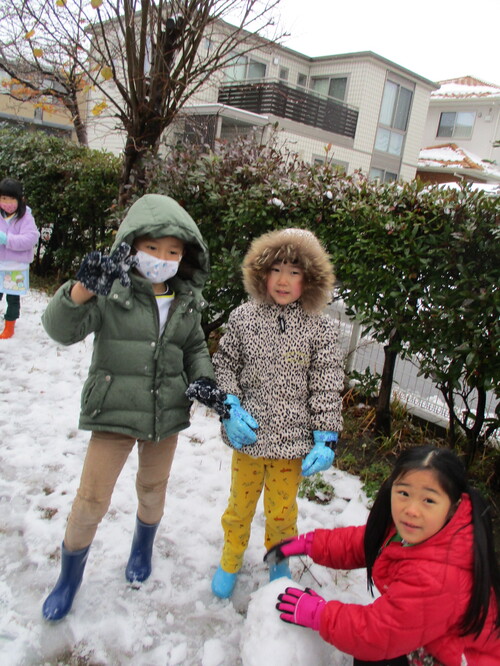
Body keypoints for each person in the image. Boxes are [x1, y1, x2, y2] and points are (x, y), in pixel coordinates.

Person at [41, 193, 233, 621]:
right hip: (113, 411)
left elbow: (195, 347)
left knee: (152, 490)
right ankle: (68, 579)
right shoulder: (111, 292)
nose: (162, 258)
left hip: (165, 415)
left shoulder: (185, 300)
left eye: (172, 251)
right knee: (91, 499)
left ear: (184, 257)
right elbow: (60, 329)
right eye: (152, 249)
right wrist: (83, 288)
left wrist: (203, 379)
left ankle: (142, 548)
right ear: (132, 247)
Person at [205, 228, 344, 599]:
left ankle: (279, 562)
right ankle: (231, 558)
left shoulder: (320, 329)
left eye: (295, 272)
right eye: (277, 269)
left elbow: (326, 384)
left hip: (290, 448)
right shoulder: (243, 318)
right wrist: (229, 407)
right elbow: (226, 366)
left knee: (282, 514)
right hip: (247, 441)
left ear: (309, 280)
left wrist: (325, 436)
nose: (284, 280)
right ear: (261, 272)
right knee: (239, 507)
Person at [267, 445, 500, 665]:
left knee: (372, 655)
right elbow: (368, 542)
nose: (411, 509)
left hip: (457, 658)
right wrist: (311, 544)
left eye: (428, 499)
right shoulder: (425, 529)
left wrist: (320, 614)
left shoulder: (440, 574)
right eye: (404, 493)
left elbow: (377, 633)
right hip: (429, 638)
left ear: (452, 506)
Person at [0, 177, 39, 339]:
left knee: (12, 298)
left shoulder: (25, 218)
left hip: (15, 267)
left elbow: (30, 238)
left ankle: (10, 326)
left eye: (11, 199)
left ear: (19, 199)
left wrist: (7, 240)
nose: (7, 203)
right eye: (3, 198)